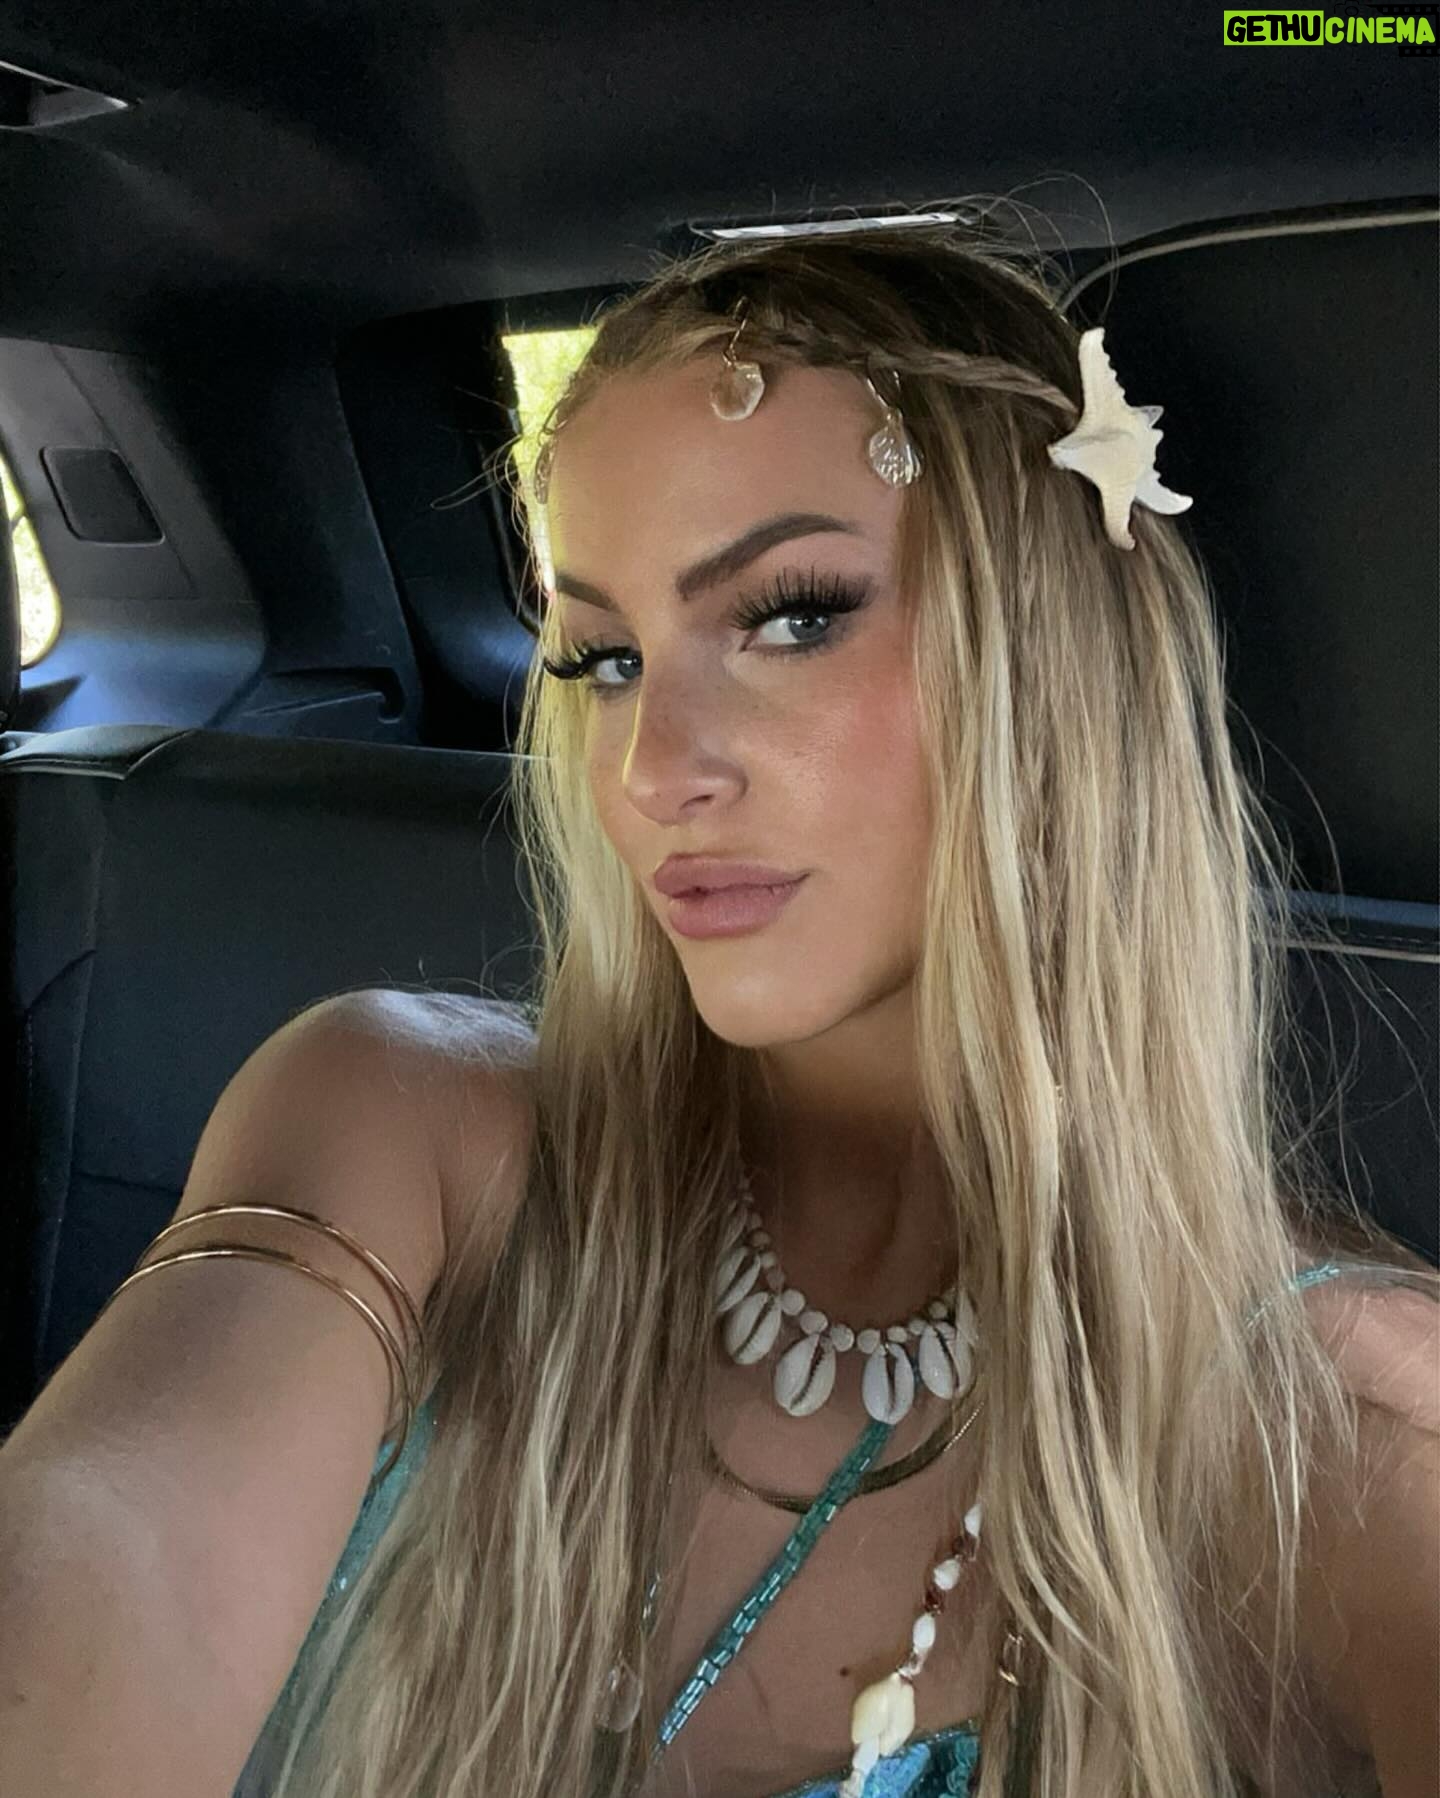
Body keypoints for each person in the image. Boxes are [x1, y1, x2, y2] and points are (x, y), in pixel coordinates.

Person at [2, 218, 1435, 1798]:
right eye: (604, 658)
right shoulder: (405, 1134)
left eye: (791, 613)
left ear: (1057, 664)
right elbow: (108, 1563)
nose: (651, 767)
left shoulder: (1338, 1431)